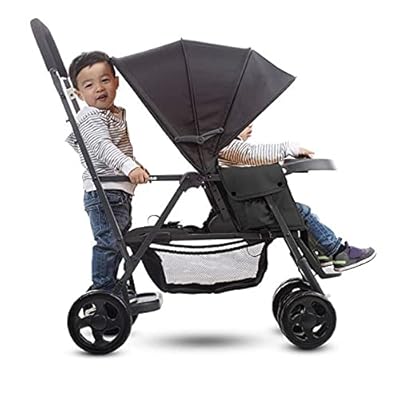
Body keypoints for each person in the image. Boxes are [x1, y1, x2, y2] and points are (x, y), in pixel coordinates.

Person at [218, 124, 376, 272]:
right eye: (244, 123)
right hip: (255, 212)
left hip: (250, 209)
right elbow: (252, 154)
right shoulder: (227, 146)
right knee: (300, 213)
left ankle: (320, 253)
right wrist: (289, 149)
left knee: (301, 212)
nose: (250, 125)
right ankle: (337, 252)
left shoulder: (224, 149)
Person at [66, 51, 149, 291]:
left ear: (116, 82)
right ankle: (102, 289)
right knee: (109, 243)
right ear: (79, 94)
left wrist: (136, 164)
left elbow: (118, 149)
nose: (99, 88)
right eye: (89, 85)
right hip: (104, 193)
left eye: (104, 80)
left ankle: (113, 286)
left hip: (117, 192)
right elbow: (103, 147)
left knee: (118, 244)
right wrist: (129, 167)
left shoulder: (111, 113)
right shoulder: (91, 116)